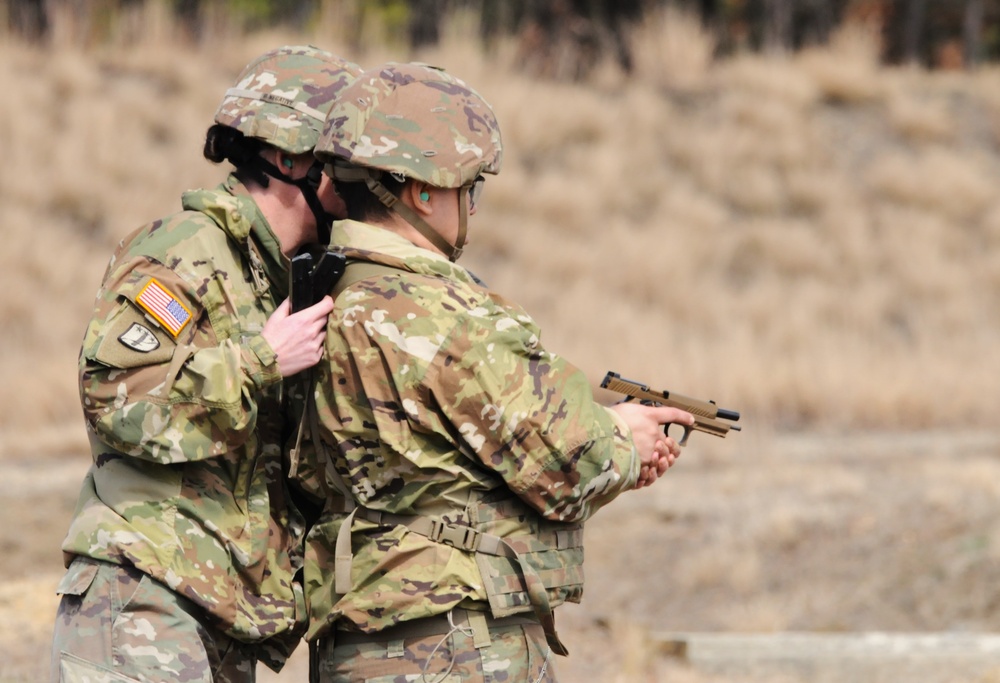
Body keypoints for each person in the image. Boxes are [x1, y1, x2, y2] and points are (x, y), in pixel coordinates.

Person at [293, 62, 694, 683]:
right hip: (450, 646)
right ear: (423, 191)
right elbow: (569, 459)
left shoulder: (323, 294)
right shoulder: (439, 313)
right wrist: (625, 439)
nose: (470, 210)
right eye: (468, 190)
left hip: (360, 644)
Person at [50, 46, 361, 682]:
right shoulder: (185, 251)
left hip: (214, 618)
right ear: (288, 159)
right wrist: (261, 360)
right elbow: (114, 392)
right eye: (341, 164)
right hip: (141, 603)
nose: (354, 186)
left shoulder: (277, 276)